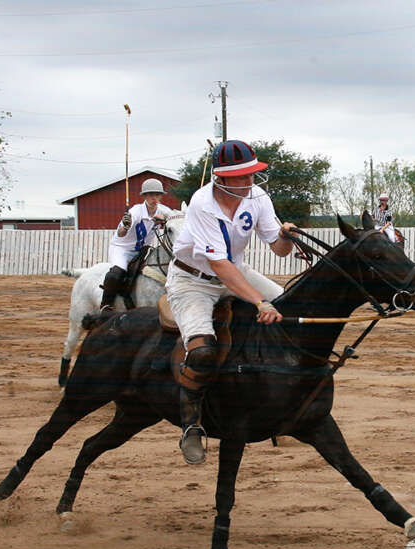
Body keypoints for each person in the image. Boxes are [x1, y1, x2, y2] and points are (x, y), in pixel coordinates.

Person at [165, 139, 297, 465]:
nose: (250, 180)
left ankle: (282, 405)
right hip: (193, 281)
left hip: (238, 272)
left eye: (252, 173)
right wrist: (259, 303)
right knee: (202, 350)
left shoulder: (258, 197)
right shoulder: (201, 204)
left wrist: (285, 237)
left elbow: (277, 249)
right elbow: (220, 265)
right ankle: (192, 426)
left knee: (290, 314)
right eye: (241, 176)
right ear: (221, 178)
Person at [100, 178, 174, 311]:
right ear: (145, 196)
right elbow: (121, 234)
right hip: (122, 248)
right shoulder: (135, 212)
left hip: (143, 250)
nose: (154, 198)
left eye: (157, 195)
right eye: (151, 195)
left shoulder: (163, 211)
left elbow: (175, 221)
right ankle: (106, 305)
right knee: (118, 272)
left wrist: (166, 221)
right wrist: (126, 226)